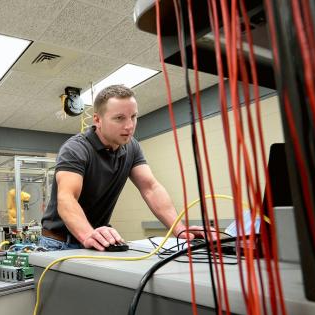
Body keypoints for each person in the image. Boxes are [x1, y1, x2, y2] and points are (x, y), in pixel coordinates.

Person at [39, 84, 207, 251]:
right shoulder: (76, 149)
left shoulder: (131, 147)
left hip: (96, 238)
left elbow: (151, 188)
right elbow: (67, 198)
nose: (129, 126)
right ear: (97, 120)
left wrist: (180, 229)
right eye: (119, 118)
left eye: (133, 116)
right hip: (60, 243)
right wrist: (88, 235)